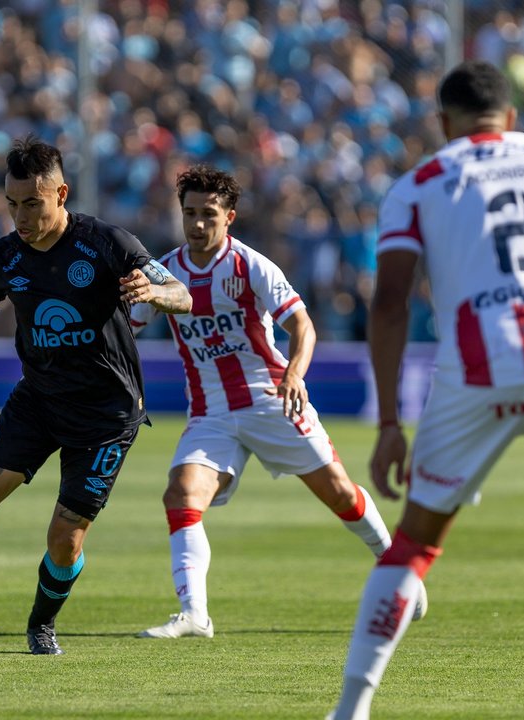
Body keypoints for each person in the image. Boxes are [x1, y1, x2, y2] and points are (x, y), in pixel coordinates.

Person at [330, 60, 524, 720]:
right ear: (512, 116)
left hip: (478, 365)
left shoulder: (419, 183)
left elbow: (390, 303)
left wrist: (388, 425)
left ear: (443, 123)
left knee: (415, 544)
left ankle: (350, 710)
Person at [0, 136, 192, 655]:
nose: (21, 217)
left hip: (106, 417)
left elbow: (182, 294)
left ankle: (41, 624)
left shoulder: (107, 243)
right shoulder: (6, 255)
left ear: (61, 194)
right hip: (37, 401)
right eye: (12, 204)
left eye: (32, 203)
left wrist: (154, 292)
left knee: (65, 537)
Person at [130, 165, 424, 639]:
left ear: (229, 217)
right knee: (181, 495)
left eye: (208, 214)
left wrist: (294, 373)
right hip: (211, 412)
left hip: (272, 399)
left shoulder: (251, 265)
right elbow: (128, 328)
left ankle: (398, 569)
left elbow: (302, 325)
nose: (197, 223)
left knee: (340, 493)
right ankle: (194, 614)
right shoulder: (166, 273)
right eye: (190, 213)